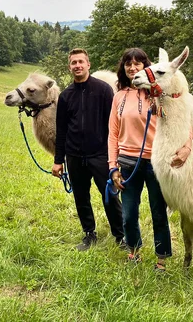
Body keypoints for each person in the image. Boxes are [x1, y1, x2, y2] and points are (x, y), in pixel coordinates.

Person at [108, 48, 192, 271]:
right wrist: (112, 167)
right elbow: (112, 134)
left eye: (137, 64)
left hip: (155, 162)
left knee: (158, 212)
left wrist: (187, 145)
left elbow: (183, 122)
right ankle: (133, 252)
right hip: (127, 162)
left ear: (146, 66)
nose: (132, 68)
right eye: (128, 64)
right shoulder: (119, 97)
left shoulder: (160, 95)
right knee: (128, 214)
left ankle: (161, 258)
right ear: (123, 68)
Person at [52, 48, 125, 251]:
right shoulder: (66, 96)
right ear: (70, 67)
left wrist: (114, 156)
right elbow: (62, 131)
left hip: (100, 155)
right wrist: (59, 160)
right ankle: (89, 234)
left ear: (88, 64)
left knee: (109, 196)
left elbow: (113, 127)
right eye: (73, 62)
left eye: (80, 62)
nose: (77, 65)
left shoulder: (103, 90)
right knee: (81, 197)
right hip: (75, 156)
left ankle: (120, 236)